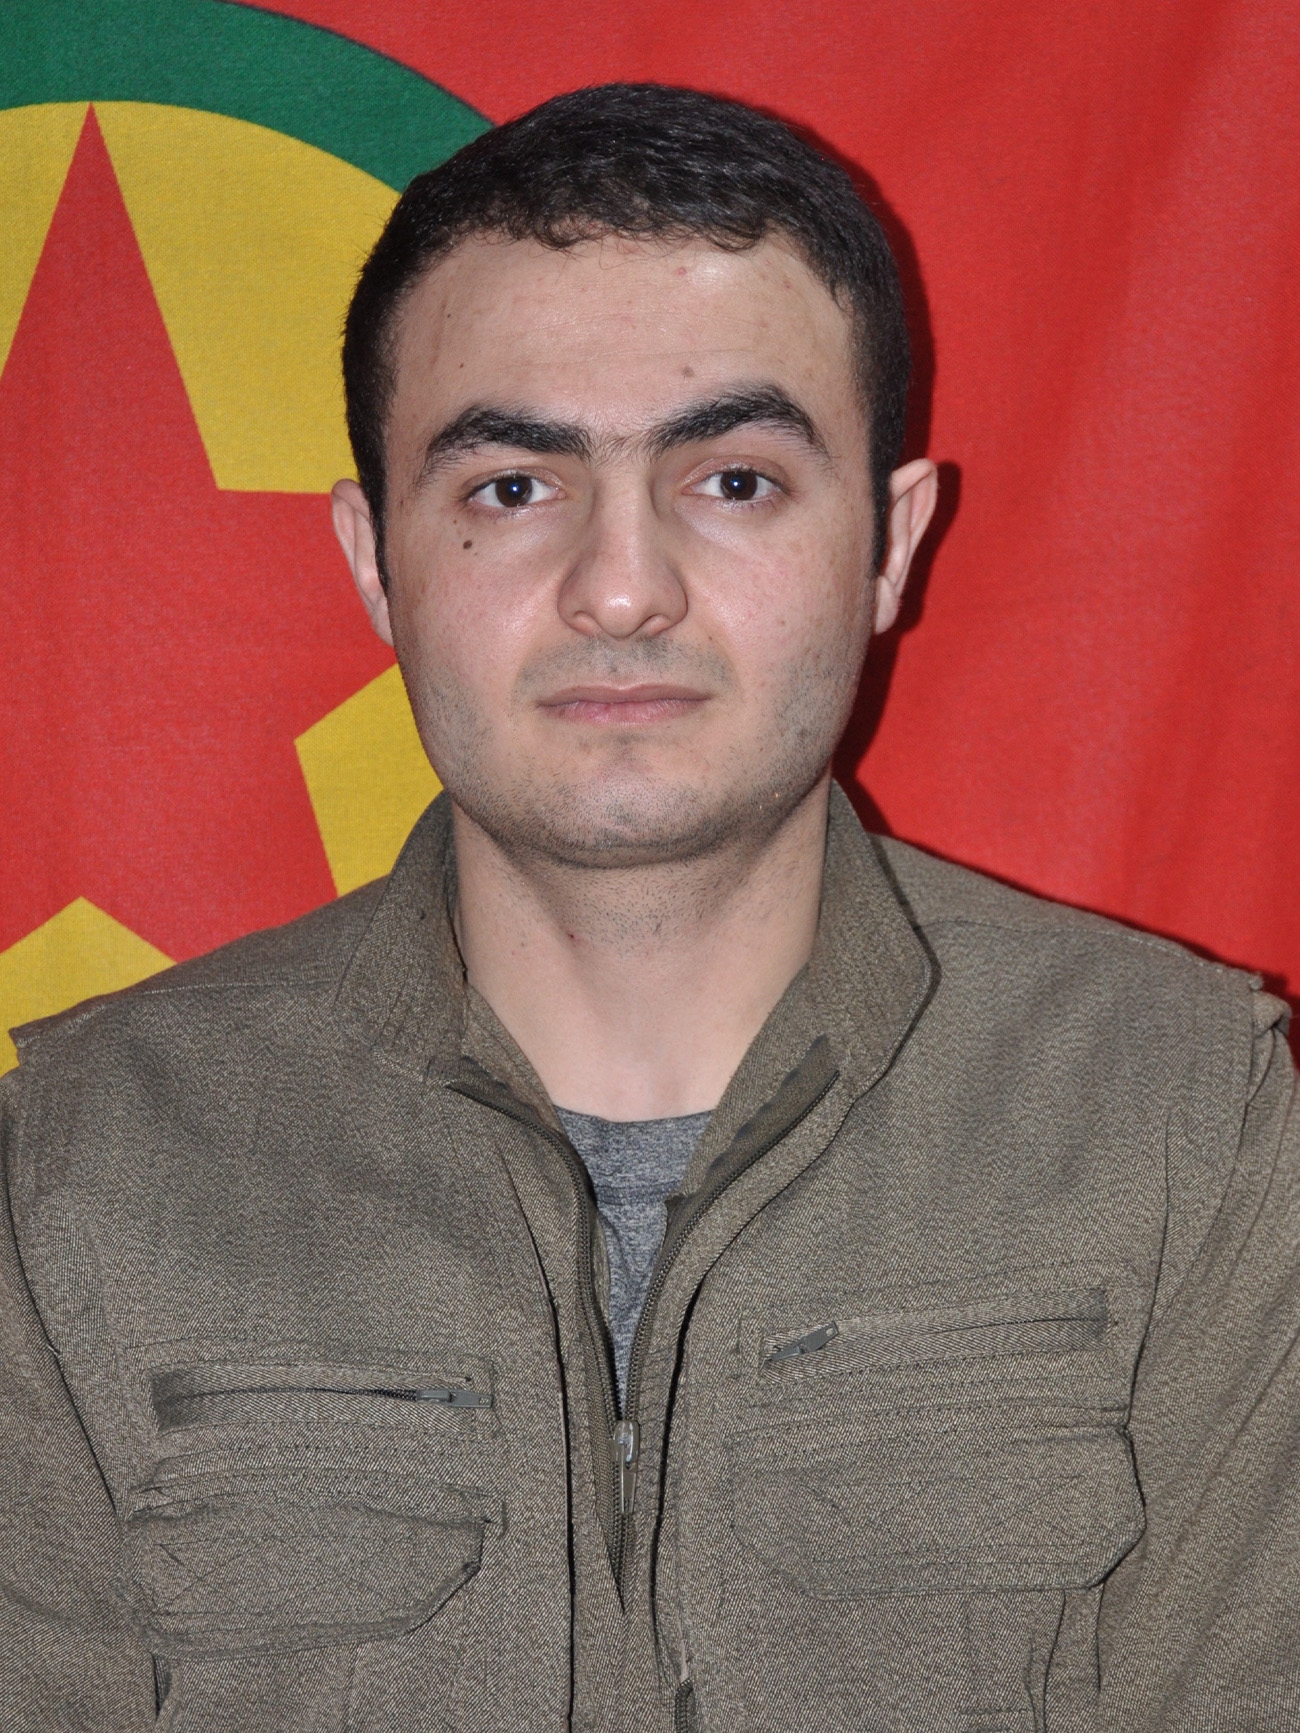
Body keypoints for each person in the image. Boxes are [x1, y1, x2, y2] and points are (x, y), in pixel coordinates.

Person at [2, 82, 1297, 1733]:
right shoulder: (78, 1174)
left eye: (735, 480)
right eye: (512, 489)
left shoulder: (1184, 1123)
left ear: (889, 546)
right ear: (375, 558)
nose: (622, 588)